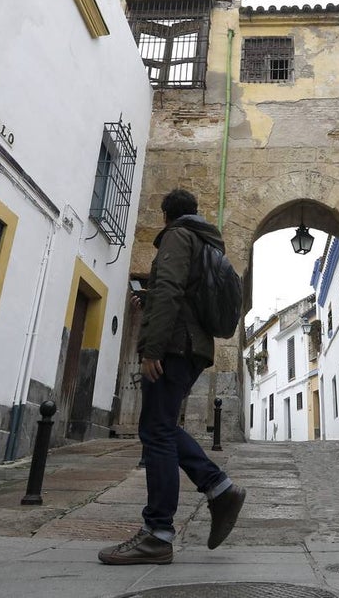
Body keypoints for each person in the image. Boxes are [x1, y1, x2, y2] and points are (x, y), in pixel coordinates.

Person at [97, 188, 246, 566]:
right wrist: (151, 299)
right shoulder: (203, 241)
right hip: (191, 345)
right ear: (193, 210)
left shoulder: (178, 236)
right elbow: (182, 296)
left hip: (175, 347)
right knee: (159, 426)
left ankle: (158, 532)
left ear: (166, 215)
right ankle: (218, 489)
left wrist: (151, 350)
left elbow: (170, 289)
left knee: (158, 432)